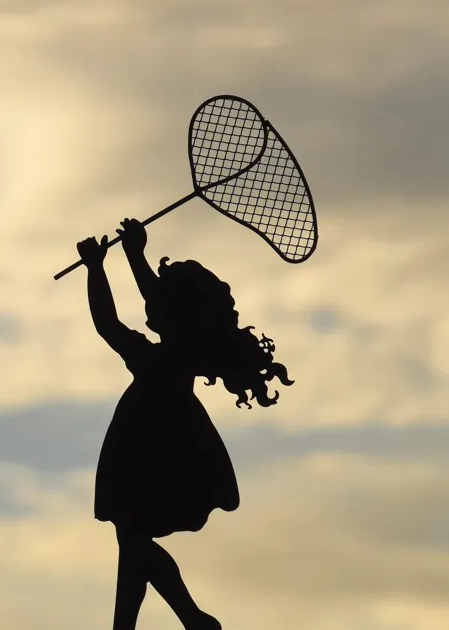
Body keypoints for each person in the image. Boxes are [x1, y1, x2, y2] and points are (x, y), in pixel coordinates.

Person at [76, 217, 292, 630]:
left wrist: (98, 268)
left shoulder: (155, 360)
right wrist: (131, 254)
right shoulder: (181, 353)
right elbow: (159, 303)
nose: (149, 305)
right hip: (169, 440)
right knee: (132, 539)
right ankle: (170, 621)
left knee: (133, 538)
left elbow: (108, 323)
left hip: (151, 446)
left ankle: (185, 618)